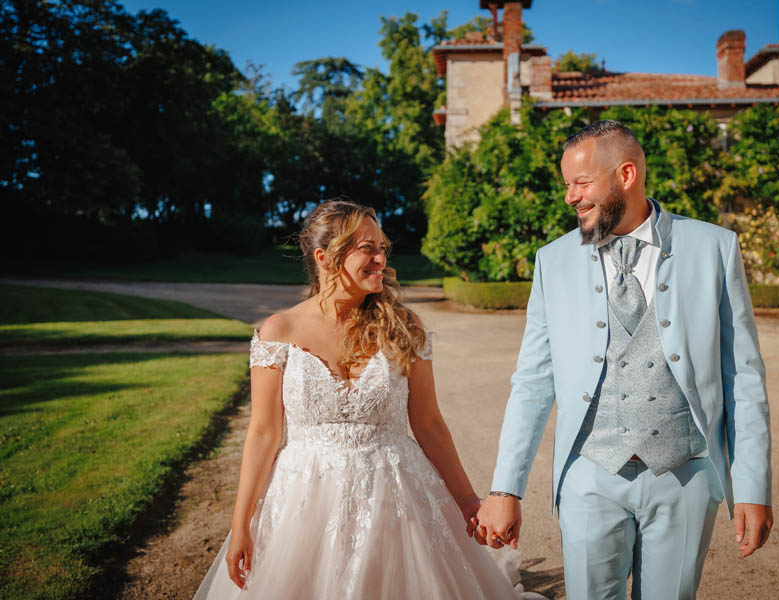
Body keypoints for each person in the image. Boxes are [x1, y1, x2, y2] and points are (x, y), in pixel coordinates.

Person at [475, 120, 773, 599]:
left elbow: (744, 377)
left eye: (582, 183)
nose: (570, 197)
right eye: (566, 184)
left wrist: (753, 487)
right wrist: (505, 489)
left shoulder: (714, 247)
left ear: (626, 175)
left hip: (685, 474)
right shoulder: (552, 261)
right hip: (589, 474)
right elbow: (532, 381)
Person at [193, 200, 541, 599]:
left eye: (382, 247)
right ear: (325, 257)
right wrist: (241, 526)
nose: (381, 258)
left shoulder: (405, 328)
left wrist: (467, 502)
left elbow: (428, 424)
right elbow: (263, 433)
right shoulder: (279, 331)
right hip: (304, 503)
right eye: (367, 248)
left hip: (397, 501)